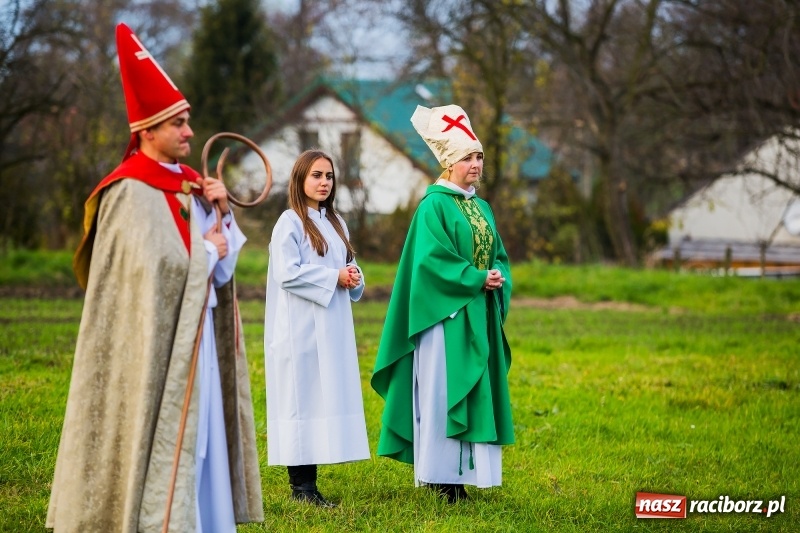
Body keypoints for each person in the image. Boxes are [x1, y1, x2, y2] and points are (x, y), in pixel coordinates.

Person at [46, 23, 263, 532]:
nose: (190, 132)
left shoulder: (190, 185)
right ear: (147, 130)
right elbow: (152, 271)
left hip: (198, 341)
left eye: (189, 122)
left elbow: (221, 264)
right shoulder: (127, 193)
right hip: (150, 347)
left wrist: (222, 215)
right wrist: (205, 254)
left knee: (204, 436)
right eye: (179, 124)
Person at [371, 104, 514, 503]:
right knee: (441, 391)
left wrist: (497, 276)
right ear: (448, 164)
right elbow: (430, 262)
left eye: (479, 156)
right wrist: (473, 278)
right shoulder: (432, 206)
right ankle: (439, 477)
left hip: (478, 313)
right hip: (444, 317)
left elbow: (497, 254)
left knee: (476, 390)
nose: (475, 164)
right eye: (467, 157)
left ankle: (465, 476)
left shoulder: (481, 208)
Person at [264, 149, 369, 507]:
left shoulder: (337, 221)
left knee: (322, 400)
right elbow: (287, 273)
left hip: (332, 326)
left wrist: (352, 277)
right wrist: (333, 276)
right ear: (300, 180)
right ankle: (302, 488)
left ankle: (312, 483)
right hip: (300, 328)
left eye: (329, 176)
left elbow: (348, 266)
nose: (324, 182)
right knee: (301, 400)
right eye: (316, 176)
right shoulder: (289, 222)